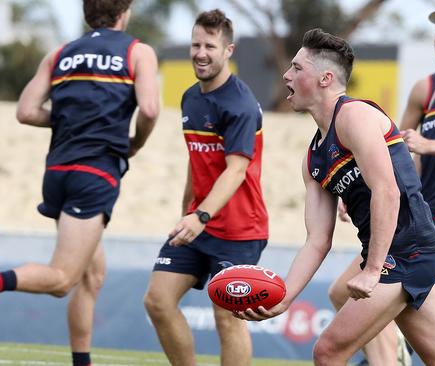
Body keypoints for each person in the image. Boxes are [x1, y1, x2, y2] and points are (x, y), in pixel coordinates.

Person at [236, 28, 435, 366]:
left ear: (325, 78)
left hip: (407, 251)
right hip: (405, 254)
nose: (286, 75)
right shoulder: (313, 158)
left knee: (327, 351)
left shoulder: (354, 116)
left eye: (297, 68)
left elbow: (387, 191)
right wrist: (285, 298)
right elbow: (317, 239)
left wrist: (373, 269)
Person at [327, 7, 435, 363]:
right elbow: (390, 147)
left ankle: (391, 358)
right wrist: (360, 186)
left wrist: (430, 144)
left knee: (344, 293)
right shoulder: (425, 88)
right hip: (417, 215)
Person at [0, 1, 159, 365]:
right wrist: (136, 142)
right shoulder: (138, 51)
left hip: (57, 173)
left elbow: (25, 111)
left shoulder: (61, 53)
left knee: (93, 274)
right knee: (61, 280)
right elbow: (149, 109)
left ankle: (81, 361)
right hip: (94, 174)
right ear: (125, 12)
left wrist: (71, 119)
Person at [142, 9, 268, 366]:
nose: (200, 52)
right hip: (198, 222)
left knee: (227, 316)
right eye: (196, 44)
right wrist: (188, 210)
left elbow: (236, 170)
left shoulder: (240, 103)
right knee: (157, 301)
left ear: (228, 50)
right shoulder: (190, 98)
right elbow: (196, 160)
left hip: (240, 229)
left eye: (210, 46)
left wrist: (200, 214)